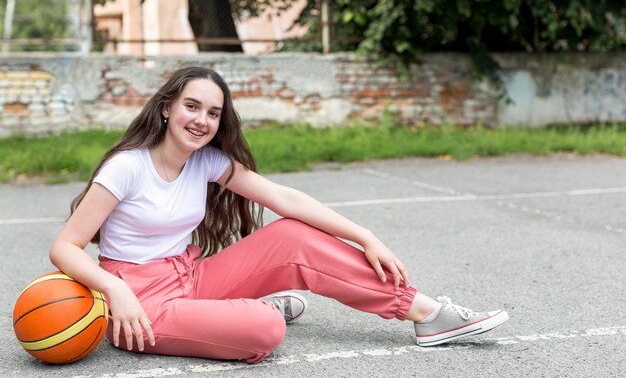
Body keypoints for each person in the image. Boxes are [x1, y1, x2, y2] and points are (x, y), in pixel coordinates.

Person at [49, 66, 509, 363]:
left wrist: (365, 234)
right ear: (167, 108)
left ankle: (426, 314)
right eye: (191, 106)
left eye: (213, 113)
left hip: (189, 277)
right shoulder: (127, 167)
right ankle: (241, 312)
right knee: (264, 328)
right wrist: (115, 290)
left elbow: (284, 199)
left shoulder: (206, 161)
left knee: (292, 235)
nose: (201, 120)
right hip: (139, 302)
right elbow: (64, 246)